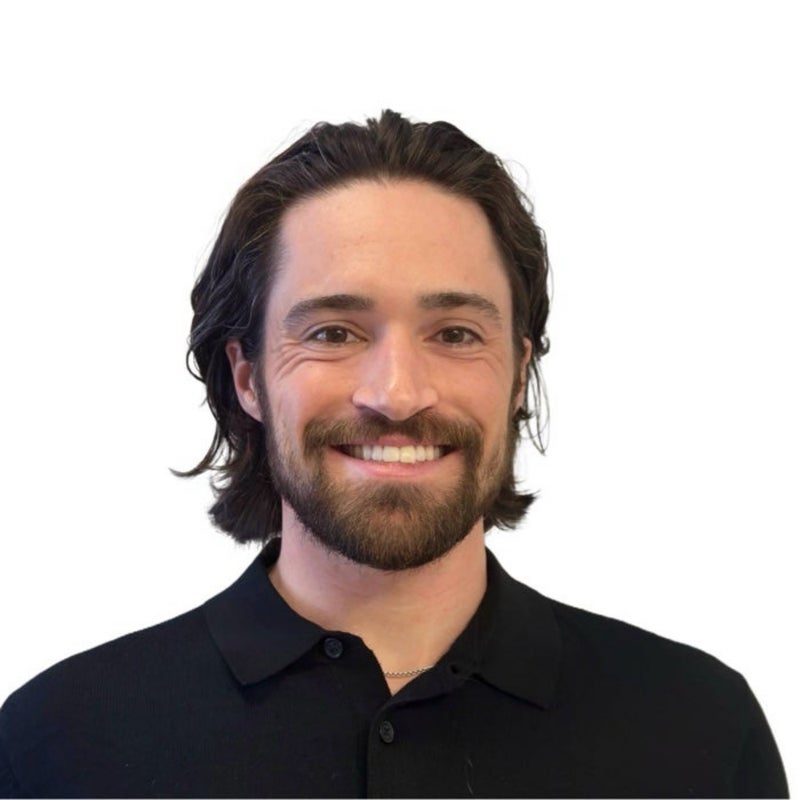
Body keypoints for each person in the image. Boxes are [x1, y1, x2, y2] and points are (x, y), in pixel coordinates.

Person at [0, 110, 787, 798]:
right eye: (334, 332)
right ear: (247, 378)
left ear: (519, 374)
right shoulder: (56, 744)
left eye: (455, 333)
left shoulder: (701, 731)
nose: (399, 393)